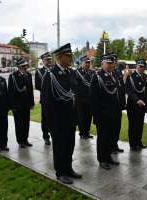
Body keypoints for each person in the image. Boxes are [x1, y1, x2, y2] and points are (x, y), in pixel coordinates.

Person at [41, 43, 82, 184]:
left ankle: (68, 168)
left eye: (70, 56)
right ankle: (61, 172)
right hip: (57, 120)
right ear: (59, 57)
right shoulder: (50, 75)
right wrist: (51, 123)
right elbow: (46, 102)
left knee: (70, 145)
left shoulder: (70, 72)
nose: (71, 58)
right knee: (59, 147)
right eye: (68, 56)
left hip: (70, 118)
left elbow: (74, 94)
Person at [90, 54, 121, 170]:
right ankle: (102, 159)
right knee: (102, 138)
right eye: (108, 63)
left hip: (113, 113)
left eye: (112, 63)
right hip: (102, 115)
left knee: (110, 137)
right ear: (102, 64)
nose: (110, 65)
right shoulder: (97, 77)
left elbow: (115, 95)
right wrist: (96, 116)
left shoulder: (114, 76)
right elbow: (93, 99)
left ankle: (108, 157)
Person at [8, 58, 34, 148]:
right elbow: (10, 92)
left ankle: (25, 139)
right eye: (23, 66)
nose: (25, 67)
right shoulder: (13, 76)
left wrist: (32, 103)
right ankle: (20, 141)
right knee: (19, 124)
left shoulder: (28, 75)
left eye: (26, 65)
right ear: (19, 66)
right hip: (17, 105)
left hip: (26, 104)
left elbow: (30, 91)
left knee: (26, 123)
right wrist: (11, 105)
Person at [125, 59, 147, 151]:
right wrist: (137, 100)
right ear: (136, 66)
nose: (141, 68)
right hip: (133, 106)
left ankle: (138, 142)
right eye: (140, 66)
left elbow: (146, 92)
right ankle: (133, 144)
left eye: (143, 67)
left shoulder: (145, 76)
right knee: (133, 126)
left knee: (140, 125)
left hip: (142, 106)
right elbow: (129, 91)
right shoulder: (131, 76)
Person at [74, 55, 94, 139]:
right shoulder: (77, 72)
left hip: (89, 99)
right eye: (86, 63)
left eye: (89, 63)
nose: (88, 64)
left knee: (89, 117)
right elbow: (74, 86)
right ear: (82, 63)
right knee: (81, 117)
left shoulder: (91, 72)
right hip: (80, 99)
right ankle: (82, 133)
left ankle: (87, 132)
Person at [35, 52, 52, 145]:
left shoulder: (53, 70)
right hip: (45, 98)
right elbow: (37, 86)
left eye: (50, 59)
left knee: (54, 118)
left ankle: (54, 134)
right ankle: (46, 136)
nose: (49, 61)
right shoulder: (39, 72)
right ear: (43, 61)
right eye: (47, 60)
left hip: (54, 100)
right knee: (45, 119)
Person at [110, 53, 125, 154]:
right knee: (112, 127)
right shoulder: (112, 73)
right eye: (114, 61)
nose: (115, 63)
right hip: (113, 106)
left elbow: (121, 87)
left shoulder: (117, 72)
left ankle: (115, 145)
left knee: (117, 127)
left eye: (116, 61)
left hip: (119, 104)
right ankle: (111, 146)